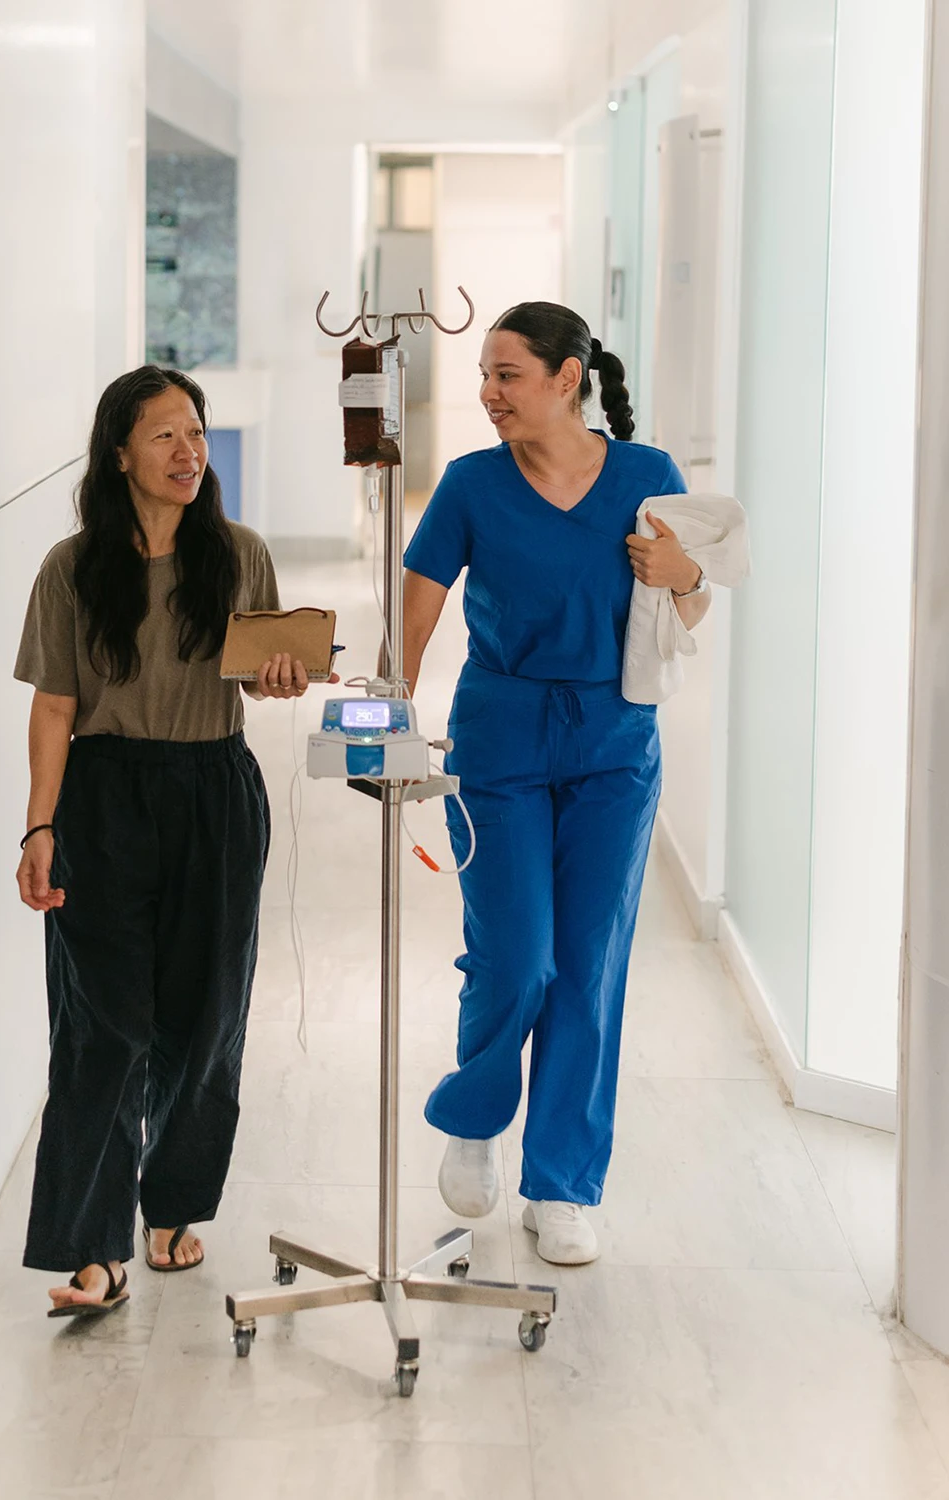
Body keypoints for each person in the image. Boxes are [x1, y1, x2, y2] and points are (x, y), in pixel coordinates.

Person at [400, 302, 711, 1266]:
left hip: (615, 744)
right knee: (515, 955)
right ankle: (477, 1112)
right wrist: (387, 724)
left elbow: (689, 604)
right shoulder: (469, 486)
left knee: (588, 966)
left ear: (567, 379)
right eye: (485, 377)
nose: (487, 394)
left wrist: (683, 566)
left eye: (506, 376)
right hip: (499, 738)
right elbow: (409, 622)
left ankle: (563, 1187)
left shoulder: (648, 476)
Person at [14, 365, 321, 1316]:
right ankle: (94, 1249)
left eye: (196, 432)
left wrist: (280, 680)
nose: (190, 452)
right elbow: (55, 707)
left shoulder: (236, 553)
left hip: (213, 789)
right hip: (104, 798)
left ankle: (174, 1205)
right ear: (119, 454)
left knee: (204, 1014)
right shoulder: (72, 568)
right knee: (100, 1025)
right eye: (165, 436)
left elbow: (273, 676)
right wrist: (39, 824)